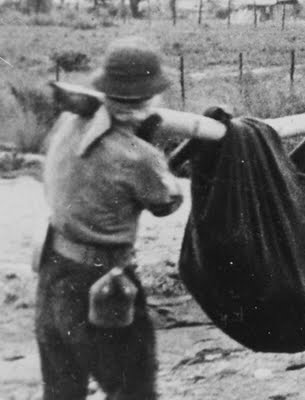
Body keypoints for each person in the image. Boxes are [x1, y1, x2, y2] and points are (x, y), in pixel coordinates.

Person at [36, 37, 185, 400]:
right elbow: (167, 202)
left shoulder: (70, 121)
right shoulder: (139, 156)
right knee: (134, 390)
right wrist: (152, 151)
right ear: (149, 97)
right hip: (102, 283)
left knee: (61, 391)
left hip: (53, 271)